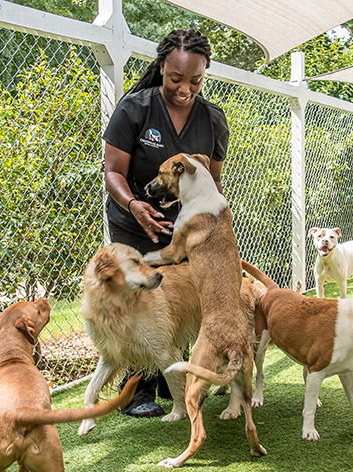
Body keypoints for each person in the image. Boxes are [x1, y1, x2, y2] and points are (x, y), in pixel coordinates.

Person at [102, 28, 229, 417]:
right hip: (132, 223)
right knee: (136, 304)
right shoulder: (134, 108)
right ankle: (137, 392)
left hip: (186, 230)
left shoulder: (212, 119)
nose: (185, 88)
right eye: (176, 78)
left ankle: (194, 378)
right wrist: (134, 205)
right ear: (161, 69)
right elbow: (112, 172)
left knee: (184, 301)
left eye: (196, 80)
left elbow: (213, 182)